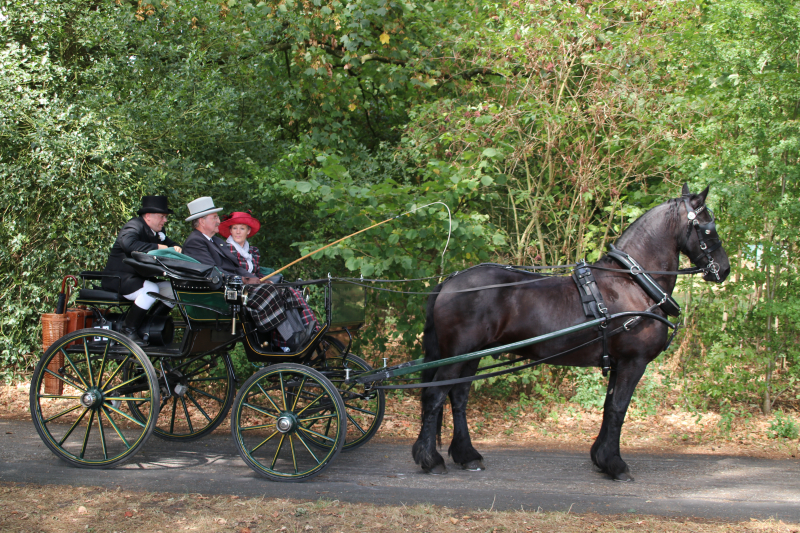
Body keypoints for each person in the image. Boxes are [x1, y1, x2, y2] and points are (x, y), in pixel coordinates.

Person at [182, 198, 315, 350]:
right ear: (201, 221)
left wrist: (256, 280)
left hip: (235, 286)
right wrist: (244, 280)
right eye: (215, 217)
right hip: (221, 291)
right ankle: (291, 340)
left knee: (282, 289)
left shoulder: (216, 241)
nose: (219, 221)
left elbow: (236, 267)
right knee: (269, 292)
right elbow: (212, 272)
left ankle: (301, 333)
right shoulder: (195, 242)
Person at [219, 211, 319, 351]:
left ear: (248, 231)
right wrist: (262, 283)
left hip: (257, 286)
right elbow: (233, 272)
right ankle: (289, 339)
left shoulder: (253, 251)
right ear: (230, 230)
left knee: (289, 291)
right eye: (234, 228)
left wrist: (266, 281)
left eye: (242, 228)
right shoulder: (225, 250)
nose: (238, 232)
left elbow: (257, 272)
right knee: (271, 293)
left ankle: (304, 331)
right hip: (242, 290)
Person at [102, 195, 181, 344]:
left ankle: (148, 324)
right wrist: (159, 247)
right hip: (119, 279)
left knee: (173, 290)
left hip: (139, 279)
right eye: (162, 216)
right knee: (150, 289)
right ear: (148, 216)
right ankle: (127, 331)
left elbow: (172, 245)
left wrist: (177, 249)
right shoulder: (134, 225)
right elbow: (128, 244)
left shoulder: (156, 232)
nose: (165, 220)